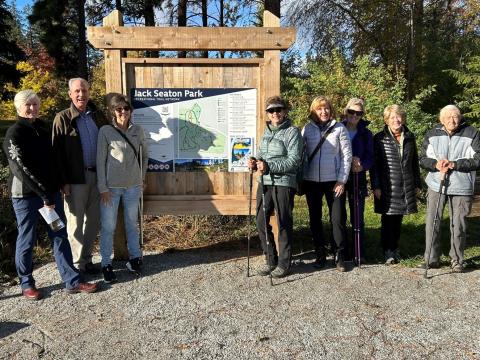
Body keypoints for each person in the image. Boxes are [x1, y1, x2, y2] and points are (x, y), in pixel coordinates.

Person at [2, 90, 98, 300]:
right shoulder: (14, 133)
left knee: (59, 235)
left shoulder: (43, 128)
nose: (32, 108)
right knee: (27, 238)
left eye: (35, 104)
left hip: (50, 195)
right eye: (28, 105)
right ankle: (26, 283)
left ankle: (72, 280)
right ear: (19, 107)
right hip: (26, 197)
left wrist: (58, 185)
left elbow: (54, 159)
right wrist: (44, 195)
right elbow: (20, 168)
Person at [52, 78, 108, 274]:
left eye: (84, 90)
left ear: (89, 92)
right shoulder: (63, 118)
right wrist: (63, 181)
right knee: (75, 223)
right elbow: (56, 153)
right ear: (70, 94)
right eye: (76, 91)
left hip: (98, 177)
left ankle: (87, 260)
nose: (81, 94)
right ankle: (77, 264)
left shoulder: (98, 117)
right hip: (75, 179)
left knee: (93, 221)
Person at [419, 105, 480, 273]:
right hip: (436, 183)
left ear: (460, 118)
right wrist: (435, 164)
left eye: (455, 117)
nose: (452, 120)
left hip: (462, 185)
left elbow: (478, 159)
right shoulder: (432, 133)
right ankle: (431, 258)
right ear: (441, 119)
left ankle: (457, 260)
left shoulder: (472, 132)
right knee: (433, 220)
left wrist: (455, 164)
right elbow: (423, 158)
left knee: (458, 224)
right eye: (448, 117)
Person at [247, 96, 303, 278]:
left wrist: (270, 166)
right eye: (271, 110)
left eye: (279, 109)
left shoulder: (292, 132)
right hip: (265, 182)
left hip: (284, 183)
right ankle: (270, 260)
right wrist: (254, 161)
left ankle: (284, 263)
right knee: (261, 221)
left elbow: (294, 161)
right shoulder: (267, 131)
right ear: (268, 114)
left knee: (284, 222)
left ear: (285, 111)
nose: (275, 113)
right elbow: (261, 153)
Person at [96, 94, 148, 283]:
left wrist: (142, 178)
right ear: (113, 111)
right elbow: (100, 161)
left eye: (127, 109)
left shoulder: (138, 130)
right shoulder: (105, 131)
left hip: (133, 187)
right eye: (119, 109)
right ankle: (105, 263)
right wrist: (102, 187)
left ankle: (135, 258)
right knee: (109, 227)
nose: (123, 112)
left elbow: (144, 156)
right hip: (111, 189)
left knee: (131, 225)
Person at [302, 96, 352, 272]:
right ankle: (320, 253)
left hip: (334, 181)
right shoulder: (307, 129)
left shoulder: (339, 128)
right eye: (319, 109)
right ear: (314, 111)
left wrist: (342, 180)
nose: (324, 112)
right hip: (312, 181)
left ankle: (340, 255)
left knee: (337, 219)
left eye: (326, 108)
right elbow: (302, 153)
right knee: (315, 219)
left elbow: (347, 156)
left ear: (331, 110)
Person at [371, 104, 421, 265]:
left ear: (403, 118)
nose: (396, 120)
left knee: (398, 219)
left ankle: (395, 248)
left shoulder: (410, 137)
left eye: (398, 117)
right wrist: (376, 186)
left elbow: (414, 163)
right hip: (387, 185)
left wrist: (417, 184)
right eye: (392, 117)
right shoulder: (379, 138)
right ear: (386, 120)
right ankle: (387, 251)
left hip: (405, 184)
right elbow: (375, 166)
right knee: (388, 220)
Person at [341, 98, 374, 262]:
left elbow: (370, 157)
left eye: (358, 113)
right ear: (346, 112)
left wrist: (362, 166)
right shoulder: (337, 128)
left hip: (357, 177)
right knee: (339, 216)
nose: (354, 115)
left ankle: (358, 252)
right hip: (338, 177)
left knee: (357, 215)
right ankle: (341, 252)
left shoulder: (366, 133)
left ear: (362, 115)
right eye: (351, 112)